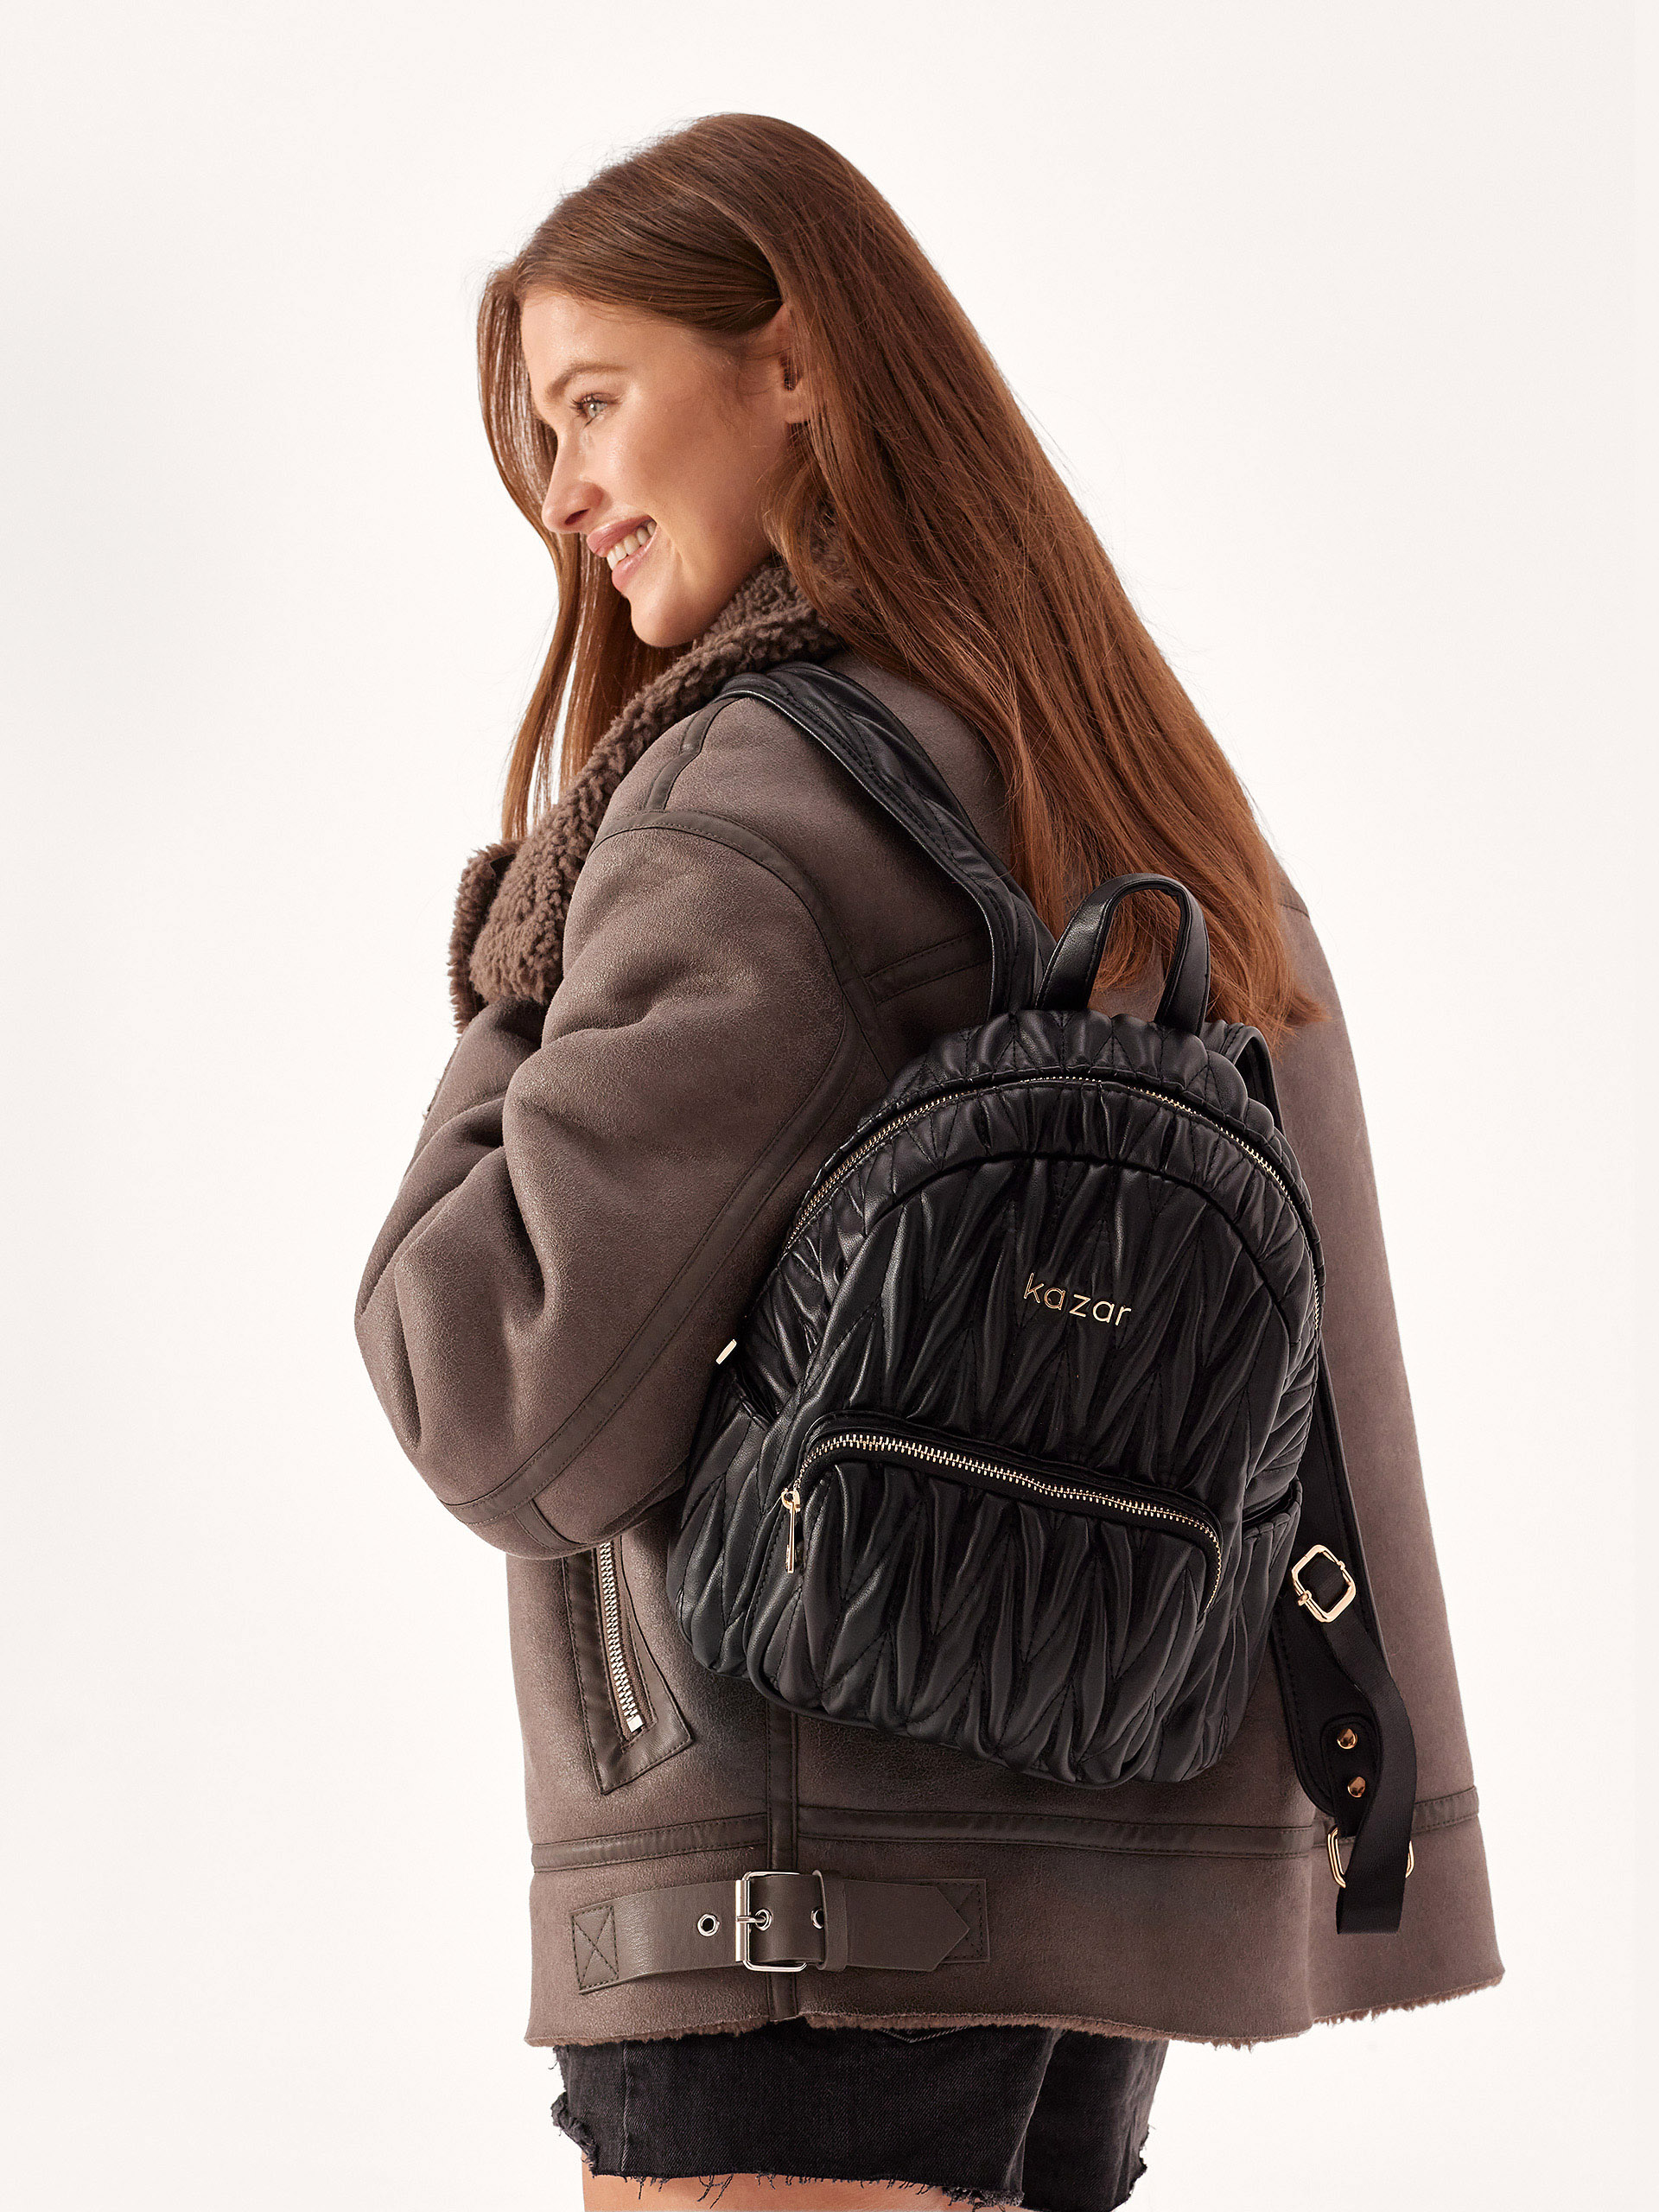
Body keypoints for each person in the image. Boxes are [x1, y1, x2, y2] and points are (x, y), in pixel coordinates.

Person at [355, 113, 1501, 2212]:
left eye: (591, 401)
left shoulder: (740, 805)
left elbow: (494, 1388)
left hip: (793, 1940)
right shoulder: (1133, 774)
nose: (562, 490)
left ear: (791, 360)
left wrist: (526, 958)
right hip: (1097, 1929)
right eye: (537, 436)